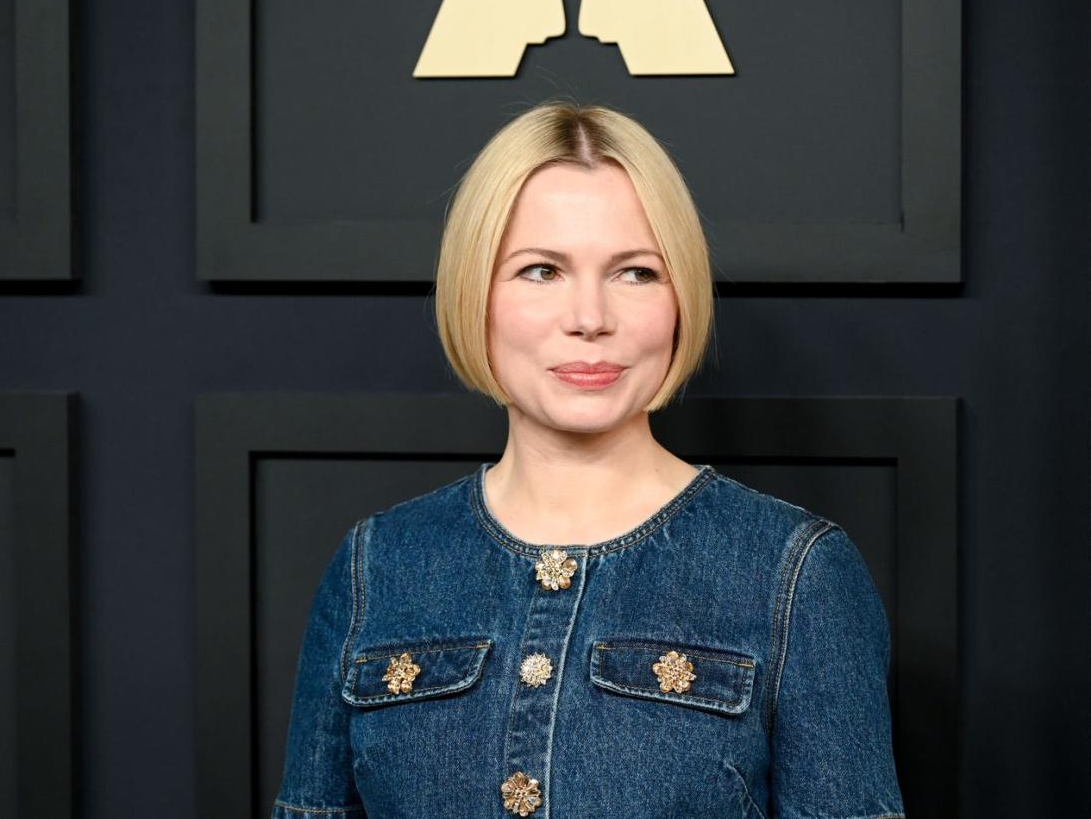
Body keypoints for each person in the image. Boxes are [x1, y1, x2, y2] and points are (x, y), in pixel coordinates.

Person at [272, 100, 905, 818]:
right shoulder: (374, 566)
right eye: (541, 270)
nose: (590, 318)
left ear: (680, 298)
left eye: (635, 273)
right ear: (474, 293)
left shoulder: (795, 573)